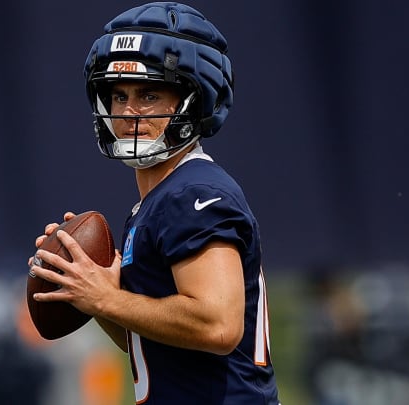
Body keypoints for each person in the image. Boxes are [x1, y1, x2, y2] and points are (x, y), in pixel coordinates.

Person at [28, 2, 281, 404]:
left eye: (149, 94)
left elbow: (218, 326)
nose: (128, 112)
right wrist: (91, 291)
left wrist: (109, 298)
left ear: (194, 100)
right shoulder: (158, 200)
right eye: (118, 94)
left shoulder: (193, 193)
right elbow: (155, 349)